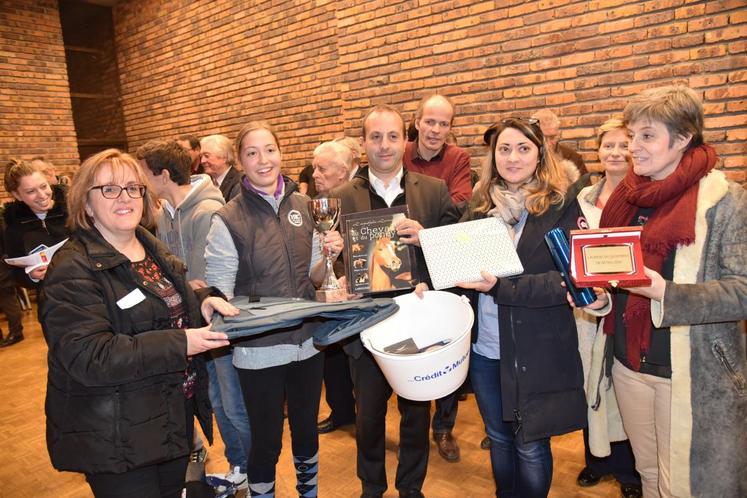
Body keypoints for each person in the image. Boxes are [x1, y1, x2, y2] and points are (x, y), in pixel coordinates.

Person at [38, 148, 236, 498]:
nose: (124, 197)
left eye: (133, 188)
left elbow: (160, 306)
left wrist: (202, 303)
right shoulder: (71, 268)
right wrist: (182, 343)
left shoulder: (149, 247)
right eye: (109, 189)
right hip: (116, 436)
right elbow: (89, 355)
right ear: (86, 203)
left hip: (167, 419)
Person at [597, 85, 746, 497]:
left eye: (647, 136)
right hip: (629, 366)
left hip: (689, 372)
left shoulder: (725, 202)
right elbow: (616, 278)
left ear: (682, 139)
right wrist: (601, 297)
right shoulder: (627, 199)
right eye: (631, 137)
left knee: (681, 485)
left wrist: (666, 292)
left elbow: (742, 292)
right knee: (648, 475)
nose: (633, 149)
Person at [205, 120, 343, 498]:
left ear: (281, 153)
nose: (263, 160)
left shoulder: (305, 206)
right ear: (241, 160)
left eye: (269, 149)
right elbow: (220, 292)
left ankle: (308, 493)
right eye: (252, 152)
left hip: (309, 344)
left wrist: (330, 255)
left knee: (306, 431)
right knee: (266, 441)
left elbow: (315, 277)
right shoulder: (228, 218)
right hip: (259, 351)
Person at [330, 104, 460, 498]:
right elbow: (334, 265)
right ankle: (371, 486)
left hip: (416, 322)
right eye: (375, 137)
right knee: (368, 416)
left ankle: (410, 488)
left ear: (405, 140)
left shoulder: (434, 191)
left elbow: (454, 253)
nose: (384, 146)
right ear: (362, 144)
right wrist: (336, 268)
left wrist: (427, 239)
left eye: (392, 136)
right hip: (366, 325)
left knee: (415, 415)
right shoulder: (339, 196)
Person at [456, 116, 588, 497]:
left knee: (530, 444)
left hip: (537, 347)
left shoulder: (561, 206)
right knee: (498, 438)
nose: (513, 158)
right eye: (504, 149)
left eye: (523, 148)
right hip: (486, 350)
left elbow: (569, 280)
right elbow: (460, 269)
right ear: (493, 155)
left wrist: (502, 288)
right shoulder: (480, 207)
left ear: (540, 154)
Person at [137, 140, 251, 490]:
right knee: (215, 399)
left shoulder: (207, 212)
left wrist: (186, 288)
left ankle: (250, 467)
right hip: (194, 325)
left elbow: (208, 283)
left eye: (143, 173)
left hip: (216, 323)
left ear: (164, 175)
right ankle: (238, 465)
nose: (140, 181)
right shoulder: (168, 212)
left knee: (233, 403)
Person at [404, 93, 474, 463]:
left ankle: (444, 427)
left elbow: (460, 205)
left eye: (443, 123)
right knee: (412, 345)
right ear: (416, 122)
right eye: (429, 121)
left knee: (447, 344)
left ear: (450, 127)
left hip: (444, 263)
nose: (435, 130)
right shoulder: (399, 152)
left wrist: (421, 221)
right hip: (403, 264)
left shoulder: (458, 158)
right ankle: (412, 420)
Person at [574, 118, 641, 498]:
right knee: (590, 380)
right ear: (597, 152)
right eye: (608, 146)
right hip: (588, 308)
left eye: (623, 145)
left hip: (630, 302)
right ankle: (595, 460)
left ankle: (629, 471)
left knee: (622, 386)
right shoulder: (583, 197)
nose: (615, 153)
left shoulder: (643, 197)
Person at [309, 141, 357, 435]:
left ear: (342, 171)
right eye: (314, 167)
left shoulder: (356, 199)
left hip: (357, 291)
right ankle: (342, 411)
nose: (314, 174)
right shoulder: (316, 204)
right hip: (329, 292)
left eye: (321, 168)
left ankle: (362, 414)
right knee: (332, 355)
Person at [2, 159, 70, 290]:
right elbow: (15, 274)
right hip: (52, 298)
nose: (42, 195)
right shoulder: (14, 227)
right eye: (30, 191)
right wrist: (31, 276)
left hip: (92, 289)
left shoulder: (71, 208)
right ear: (17, 195)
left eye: (44, 186)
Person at [532, 109, 587, 175]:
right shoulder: (524, 158)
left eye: (552, 137)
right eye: (543, 138)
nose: (548, 143)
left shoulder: (573, 158)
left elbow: (585, 185)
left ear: (558, 134)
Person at [0, 210, 24, 348]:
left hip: (2, 266)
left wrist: (5, 262)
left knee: (7, 298)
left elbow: (6, 244)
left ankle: (16, 332)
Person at [200, 134, 241, 201]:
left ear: (224, 157)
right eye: (201, 156)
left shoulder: (238, 184)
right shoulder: (205, 183)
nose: (202, 161)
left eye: (206, 156)